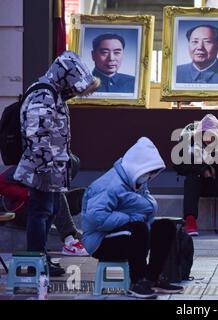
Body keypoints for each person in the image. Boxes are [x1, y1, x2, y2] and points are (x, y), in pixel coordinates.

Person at [13, 51, 99, 275]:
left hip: (51, 170)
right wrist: (44, 170)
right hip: (43, 170)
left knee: (46, 214)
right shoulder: (43, 95)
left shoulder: (51, 92)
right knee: (40, 214)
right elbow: (38, 136)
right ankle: (36, 263)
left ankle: (40, 260)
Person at [82, 137, 184, 299]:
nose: (150, 176)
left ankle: (152, 278)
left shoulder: (136, 181)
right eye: (148, 172)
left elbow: (147, 207)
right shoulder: (110, 184)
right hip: (100, 241)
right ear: (138, 166)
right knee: (138, 227)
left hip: (127, 234)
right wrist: (128, 218)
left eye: (152, 173)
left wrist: (136, 218)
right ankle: (137, 281)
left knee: (166, 227)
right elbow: (96, 218)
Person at [173, 114, 218, 237]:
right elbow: (178, 165)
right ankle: (190, 221)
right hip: (201, 183)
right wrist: (202, 169)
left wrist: (215, 166)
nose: (207, 140)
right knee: (192, 177)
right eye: (204, 136)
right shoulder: (190, 142)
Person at [0, 165, 88, 258]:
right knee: (53, 192)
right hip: (20, 210)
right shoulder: (26, 166)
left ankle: (94, 236)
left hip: (44, 204)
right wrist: (27, 194)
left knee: (84, 194)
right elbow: (1, 183)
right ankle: (70, 241)